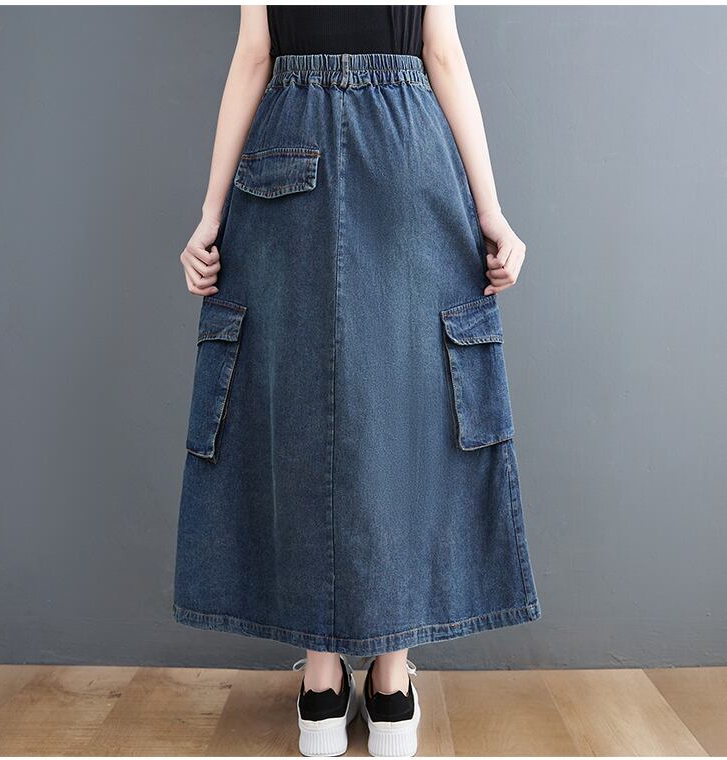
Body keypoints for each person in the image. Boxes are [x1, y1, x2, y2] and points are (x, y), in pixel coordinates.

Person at [173, 5, 540, 757]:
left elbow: (254, 57)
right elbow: (442, 55)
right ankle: (392, 685)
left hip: (287, 145)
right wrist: (492, 212)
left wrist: (210, 213)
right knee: (407, 408)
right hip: (406, 150)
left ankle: (320, 683)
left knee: (297, 403)